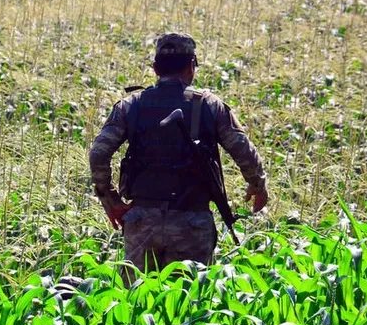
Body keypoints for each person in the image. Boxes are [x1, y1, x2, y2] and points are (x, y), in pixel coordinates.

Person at [89, 33, 268, 280]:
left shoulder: (131, 105)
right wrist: (257, 185)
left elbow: (98, 153)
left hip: (142, 223)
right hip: (192, 224)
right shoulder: (209, 105)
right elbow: (242, 149)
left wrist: (111, 200)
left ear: (155, 69)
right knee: (186, 308)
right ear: (191, 66)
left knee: (136, 306)